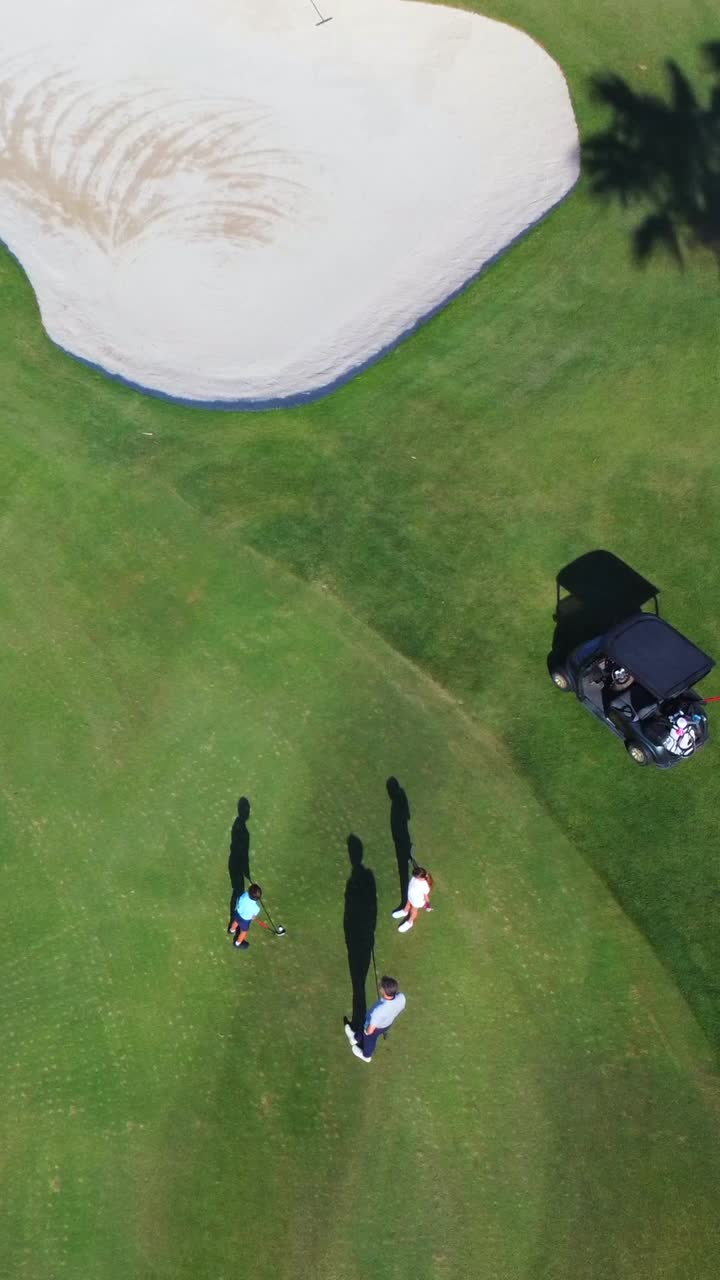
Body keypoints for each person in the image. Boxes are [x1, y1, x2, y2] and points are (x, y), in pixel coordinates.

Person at [347, 975, 406, 1062]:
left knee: (370, 1038)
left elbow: (370, 1031)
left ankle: (366, 1056)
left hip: (375, 1027)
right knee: (365, 1031)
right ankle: (355, 1038)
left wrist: (367, 1032)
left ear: (384, 991)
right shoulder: (402, 997)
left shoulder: (378, 1011)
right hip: (387, 1023)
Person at [386, 776, 415, 910]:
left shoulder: (398, 801)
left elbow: (403, 819)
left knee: (405, 872)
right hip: (401, 839)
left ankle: (408, 905)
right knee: (406, 870)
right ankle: (407, 904)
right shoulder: (400, 797)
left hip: (402, 841)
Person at [392, 866, 433, 933]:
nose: (414, 877)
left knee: (414, 911)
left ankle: (409, 922)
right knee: (408, 904)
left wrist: (428, 905)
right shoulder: (415, 878)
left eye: (415, 876)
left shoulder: (424, 885)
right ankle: (404, 912)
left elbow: (426, 897)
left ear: (420, 877)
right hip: (411, 896)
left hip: (417, 901)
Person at [229, 883, 262, 949]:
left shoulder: (245, 895)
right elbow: (253, 916)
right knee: (244, 931)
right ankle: (237, 943)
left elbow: (240, 900)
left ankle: (231, 930)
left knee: (236, 921)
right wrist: (253, 917)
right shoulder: (256, 908)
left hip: (238, 913)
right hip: (245, 920)